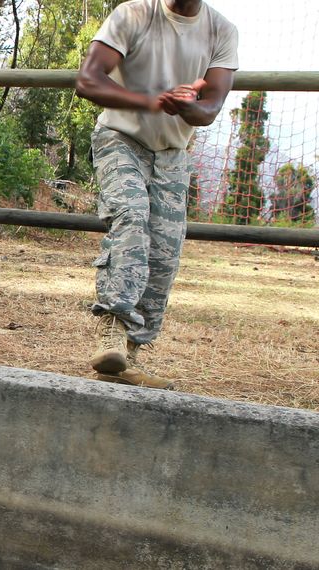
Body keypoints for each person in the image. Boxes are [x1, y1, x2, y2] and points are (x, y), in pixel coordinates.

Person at [76, 0, 238, 389]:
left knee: (165, 251)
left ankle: (127, 356)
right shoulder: (134, 14)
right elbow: (88, 80)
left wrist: (185, 107)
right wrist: (151, 101)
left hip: (171, 152)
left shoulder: (221, 30)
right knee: (131, 217)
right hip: (121, 137)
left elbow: (211, 106)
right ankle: (112, 331)